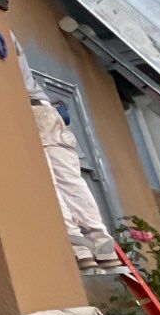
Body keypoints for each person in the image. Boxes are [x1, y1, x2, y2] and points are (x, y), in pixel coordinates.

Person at [15, 43, 122, 271]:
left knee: (49, 181)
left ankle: (79, 247)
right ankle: (103, 245)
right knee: (71, 180)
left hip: (29, 110)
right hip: (47, 111)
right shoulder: (10, 36)